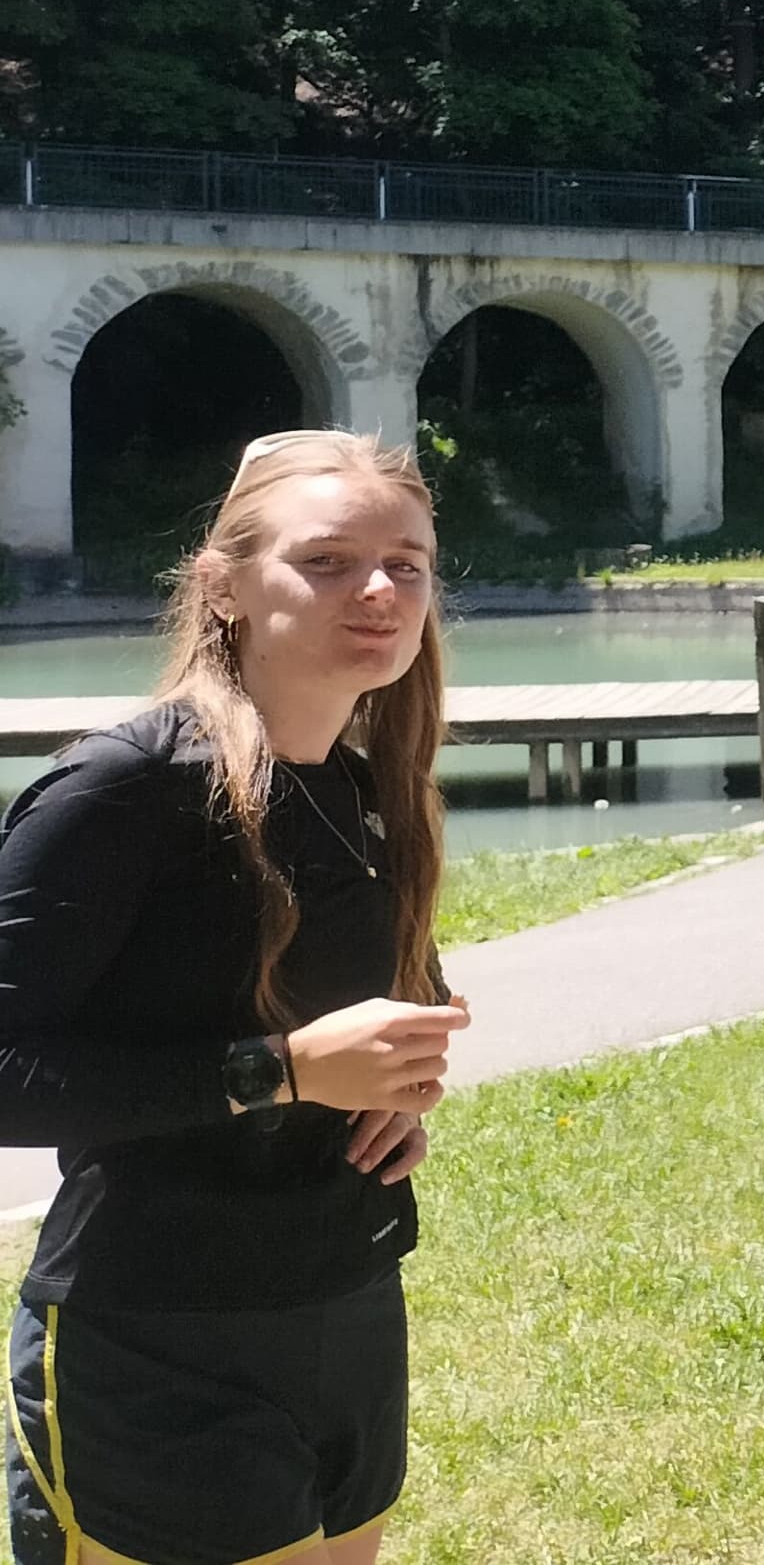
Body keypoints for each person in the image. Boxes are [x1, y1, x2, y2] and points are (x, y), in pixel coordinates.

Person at [0, 431, 469, 1565]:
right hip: (156, 1337)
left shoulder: (367, 789)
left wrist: (394, 1090)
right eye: (327, 562)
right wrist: (289, 1071)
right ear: (222, 587)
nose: (378, 591)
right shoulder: (123, 790)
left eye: (406, 565)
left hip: (345, 1302)